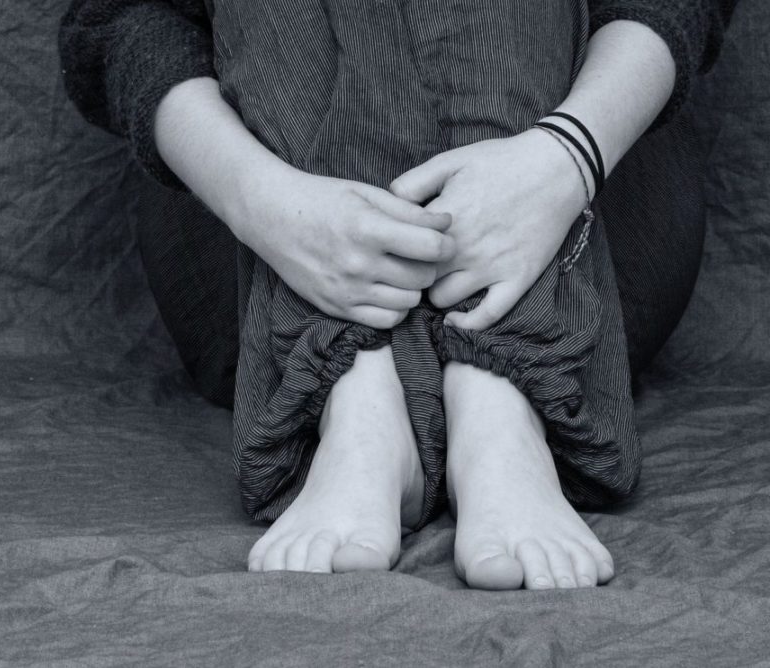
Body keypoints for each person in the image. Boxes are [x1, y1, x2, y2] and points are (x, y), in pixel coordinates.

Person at [59, 0, 736, 589]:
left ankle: (503, 400)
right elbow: (123, 17)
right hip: (254, 237)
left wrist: (567, 156)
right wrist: (264, 203)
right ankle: (357, 388)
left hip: (585, 214)